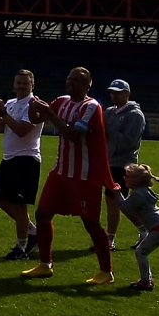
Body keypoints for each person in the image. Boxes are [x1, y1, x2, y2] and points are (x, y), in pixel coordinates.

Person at [22, 67, 120, 285]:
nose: (71, 83)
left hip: (85, 175)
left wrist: (49, 114)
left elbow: (75, 135)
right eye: (69, 79)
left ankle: (106, 271)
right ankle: (45, 264)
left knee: (91, 223)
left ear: (88, 85)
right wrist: (33, 107)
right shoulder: (62, 101)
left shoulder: (91, 107)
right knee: (43, 214)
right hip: (61, 171)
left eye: (77, 80)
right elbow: (36, 119)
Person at [0, 70, 44, 261]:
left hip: (26, 159)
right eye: (18, 83)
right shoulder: (11, 104)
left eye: (25, 83)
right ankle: (33, 231)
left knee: (19, 207)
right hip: (9, 158)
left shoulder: (34, 105)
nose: (21, 86)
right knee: (0, 199)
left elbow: (22, 131)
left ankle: (21, 247)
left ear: (32, 85)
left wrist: (3, 112)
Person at [117, 163, 159, 290]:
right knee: (141, 252)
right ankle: (146, 281)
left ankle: (146, 282)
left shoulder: (137, 194)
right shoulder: (143, 191)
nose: (124, 178)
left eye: (128, 176)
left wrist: (117, 194)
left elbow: (126, 208)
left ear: (137, 180)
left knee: (140, 252)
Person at [103, 79, 146, 251]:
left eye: (118, 92)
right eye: (112, 92)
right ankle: (144, 230)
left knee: (114, 200)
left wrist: (109, 131)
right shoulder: (110, 112)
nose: (114, 95)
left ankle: (110, 239)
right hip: (109, 161)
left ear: (128, 94)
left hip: (122, 164)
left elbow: (129, 142)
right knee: (118, 201)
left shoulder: (135, 115)